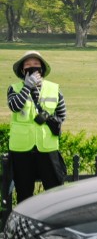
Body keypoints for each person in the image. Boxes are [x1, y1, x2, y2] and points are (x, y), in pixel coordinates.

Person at [7, 51, 66, 202]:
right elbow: (14, 106)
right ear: (22, 70)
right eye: (27, 65)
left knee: (55, 193)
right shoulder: (14, 88)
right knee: (24, 193)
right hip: (22, 149)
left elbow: (61, 115)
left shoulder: (54, 89)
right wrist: (27, 87)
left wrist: (48, 118)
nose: (32, 68)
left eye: (35, 65)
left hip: (47, 147)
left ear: (42, 69)